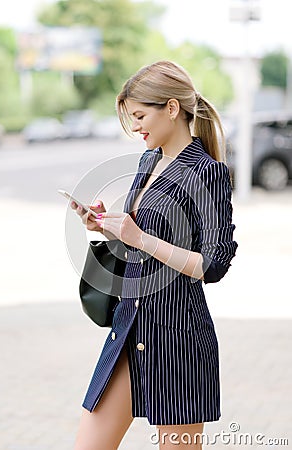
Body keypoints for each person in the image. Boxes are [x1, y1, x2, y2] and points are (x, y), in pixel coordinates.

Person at [72, 60, 238, 450]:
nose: (136, 127)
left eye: (141, 116)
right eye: (132, 119)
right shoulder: (149, 159)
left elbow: (212, 265)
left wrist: (141, 238)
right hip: (130, 327)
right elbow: (138, 236)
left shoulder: (206, 172)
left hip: (177, 337)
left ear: (172, 108)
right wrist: (104, 225)